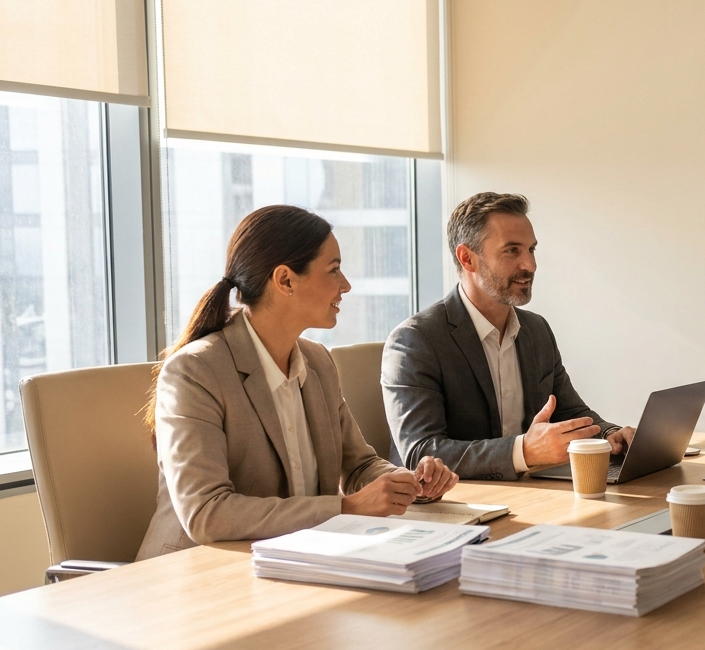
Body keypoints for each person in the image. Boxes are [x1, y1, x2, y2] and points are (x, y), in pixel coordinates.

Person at [137, 205, 457, 560]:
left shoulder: (317, 361)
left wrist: (408, 482)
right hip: (196, 572)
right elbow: (207, 513)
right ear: (285, 280)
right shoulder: (195, 371)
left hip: (291, 562)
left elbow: (360, 466)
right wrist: (345, 507)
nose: (346, 285)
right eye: (334, 269)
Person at [383, 192, 634, 480]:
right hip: (454, 507)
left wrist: (611, 434)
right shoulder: (416, 341)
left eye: (531, 250)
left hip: (528, 496)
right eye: (512, 250)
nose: (530, 265)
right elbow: (419, 453)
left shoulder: (536, 331)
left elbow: (570, 411)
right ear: (467, 259)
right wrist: (522, 452)